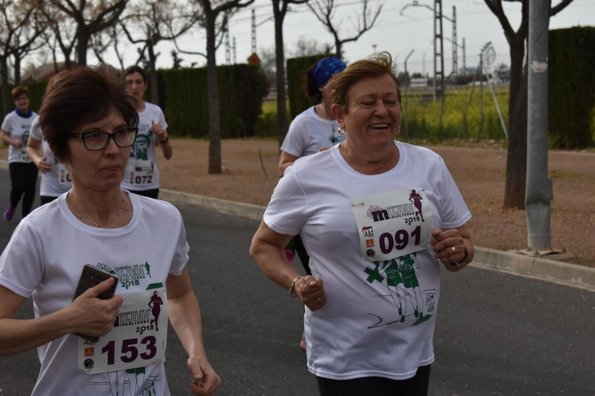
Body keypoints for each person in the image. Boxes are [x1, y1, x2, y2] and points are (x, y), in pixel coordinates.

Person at [250, 52, 474, 396]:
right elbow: (263, 246)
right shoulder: (306, 176)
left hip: (413, 349)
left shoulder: (429, 165)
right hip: (343, 354)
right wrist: (296, 283)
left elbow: (463, 240)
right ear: (340, 114)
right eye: (368, 102)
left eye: (391, 101)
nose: (382, 110)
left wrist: (458, 251)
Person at [0, 65, 220, 396]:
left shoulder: (165, 219)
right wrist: (67, 320)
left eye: (121, 133)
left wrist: (196, 350)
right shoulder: (38, 231)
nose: (113, 149)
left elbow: (180, 294)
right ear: (61, 150)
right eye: (94, 136)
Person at [278, 56, 347, 351]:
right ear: (322, 86)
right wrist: (314, 161)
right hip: (312, 214)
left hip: (350, 208)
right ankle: (313, 333)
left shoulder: (353, 115)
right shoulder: (304, 123)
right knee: (318, 275)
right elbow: (283, 165)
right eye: (337, 78)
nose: (345, 83)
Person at [121, 65, 172, 198]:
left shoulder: (155, 111)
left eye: (138, 82)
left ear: (145, 85)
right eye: (129, 82)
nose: (134, 87)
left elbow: (168, 154)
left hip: (150, 184)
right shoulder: (118, 113)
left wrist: (162, 137)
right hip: (124, 185)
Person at [0, 85, 38, 220]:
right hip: (16, 158)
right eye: (18, 99)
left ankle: (25, 217)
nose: (22, 101)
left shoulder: (35, 117)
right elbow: (2, 134)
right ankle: (12, 205)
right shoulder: (10, 118)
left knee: (30, 188)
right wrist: (12, 141)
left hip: (31, 158)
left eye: (24, 98)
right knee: (18, 186)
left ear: (28, 99)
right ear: (15, 102)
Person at [27, 114, 72, 204]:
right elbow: (31, 146)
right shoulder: (42, 120)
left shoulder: (82, 116)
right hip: (50, 189)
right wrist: (37, 160)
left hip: (80, 190)